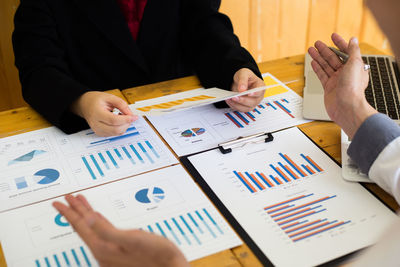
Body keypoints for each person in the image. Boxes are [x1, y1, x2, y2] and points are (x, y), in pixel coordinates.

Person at [13, 0, 265, 137]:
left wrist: (235, 69)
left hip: (179, 116)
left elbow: (206, 27)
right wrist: (79, 102)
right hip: (96, 126)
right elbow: (37, 67)